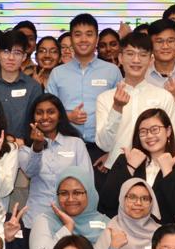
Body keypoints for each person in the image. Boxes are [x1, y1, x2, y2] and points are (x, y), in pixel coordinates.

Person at [46, 13, 122, 165]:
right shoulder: (57, 73)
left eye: (89, 34)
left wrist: (112, 153)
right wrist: (67, 117)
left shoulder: (112, 71)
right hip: (65, 147)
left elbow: (122, 114)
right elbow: (47, 111)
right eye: (78, 34)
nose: (83, 40)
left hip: (102, 150)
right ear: (71, 38)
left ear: (97, 39)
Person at [96, 33, 175, 171]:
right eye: (130, 54)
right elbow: (104, 145)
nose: (136, 60)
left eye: (143, 55)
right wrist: (116, 108)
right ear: (120, 58)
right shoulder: (105, 98)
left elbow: (173, 141)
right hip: (116, 170)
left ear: (151, 60)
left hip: (154, 170)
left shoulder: (164, 97)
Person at [98, 107, 175, 223]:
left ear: (168, 131)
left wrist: (168, 174)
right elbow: (106, 202)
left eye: (155, 129)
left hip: (162, 231)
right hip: (125, 228)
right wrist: (130, 167)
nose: (149, 135)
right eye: (143, 132)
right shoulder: (125, 160)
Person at [27, 166, 108, 249]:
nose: (70, 199)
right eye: (64, 193)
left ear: (89, 192)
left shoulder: (106, 224)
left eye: (77, 192)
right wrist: (67, 228)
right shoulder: (44, 220)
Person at [21, 93, 92, 234]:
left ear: (59, 116)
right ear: (33, 118)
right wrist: (37, 147)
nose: (45, 117)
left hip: (72, 218)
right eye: (39, 113)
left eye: (51, 112)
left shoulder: (76, 143)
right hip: (37, 218)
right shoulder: (25, 148)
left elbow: (87, 182)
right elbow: (30, 172)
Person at [0, 29, 42, 142]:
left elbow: (36, 123)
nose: (11, 58)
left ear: (24, 56)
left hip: (22, 146)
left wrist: (23, 142)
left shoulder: (33, 87)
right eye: (6, 51)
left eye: (17, 53)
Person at [146, 18, 175, 99]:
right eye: (159, 41)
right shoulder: (142, 76)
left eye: (170, 41)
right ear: (150, 44)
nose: (165, 46)